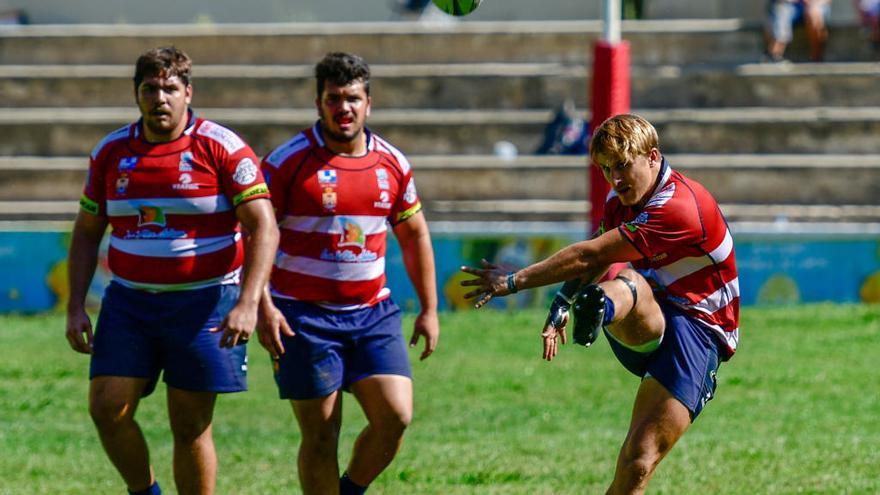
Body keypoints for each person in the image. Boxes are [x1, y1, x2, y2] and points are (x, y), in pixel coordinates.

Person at [461, 114, 739, 494]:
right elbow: (600, 254)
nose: (616, 179)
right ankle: (599, 307)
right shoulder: (620, 199)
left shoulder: (678, 207)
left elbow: (591, 254)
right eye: (607, 169)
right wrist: (562, 299)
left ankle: (599, 307)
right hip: (650, 312)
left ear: (653, 156)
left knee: (637, 463)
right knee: (631, 282)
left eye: (623, 165)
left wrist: (514, 281)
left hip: (700, 329)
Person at [65, 46, 279, 495]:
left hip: (206, 303)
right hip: (129, 302)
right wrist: (75, 306)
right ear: (136, 94)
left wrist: (248, 302)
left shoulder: (222, 147)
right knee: (107, 407)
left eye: (169, 88)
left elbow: (263, 227)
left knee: (190, 424)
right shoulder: (109, 152)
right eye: (149, 89)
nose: (159, 98)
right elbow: (87, 232)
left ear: (188, 92)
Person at [257, 52, 440, 495]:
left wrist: (430, 309)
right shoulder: (287, 163)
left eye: (353, 98)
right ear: (319, 103)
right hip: (302, 316)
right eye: (334, 98)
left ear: (368, 103)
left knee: (395, 416)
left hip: (372, 313)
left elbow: (414, 235)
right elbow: (255, 235)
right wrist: (260, 305)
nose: (344, 108)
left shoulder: (392, 164)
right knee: (321, 435)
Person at [764, 0, 831, 62]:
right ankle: (774, 55)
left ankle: (817, 58)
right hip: (789, 5)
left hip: (815, 5)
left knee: (814, 14)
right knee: (782, 11)